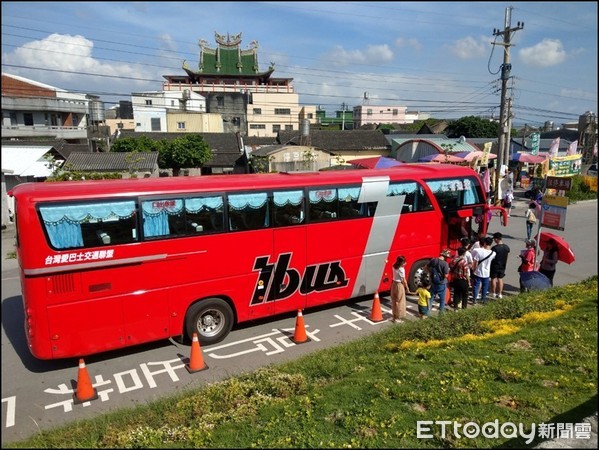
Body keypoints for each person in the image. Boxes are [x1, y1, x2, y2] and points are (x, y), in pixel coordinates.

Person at [471, 237, 496, 304]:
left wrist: (473, 269)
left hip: (478, 271)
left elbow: (475, 262)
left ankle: (474, 299)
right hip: (486, 272)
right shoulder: (493, 253)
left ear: (484, 243)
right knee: (485, 287)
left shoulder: (479, 251)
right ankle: (483, 299)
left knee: (476, 286)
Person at [426, 249, 451, 314]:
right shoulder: (445, 264)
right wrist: (448, 271)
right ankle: (441, 313)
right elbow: (446, 275)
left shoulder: (433, 260)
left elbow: (426, 267)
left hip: (433, 282)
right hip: (441, 283)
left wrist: (431, 273)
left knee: (431, 298)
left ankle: (427, 312)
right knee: (442, 299)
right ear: (445, 256)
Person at [490, 232, 510, 299]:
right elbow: (507, 257)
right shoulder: (506, 247)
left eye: (494, 239)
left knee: (493, 278)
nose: (494, 241)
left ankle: (493, 293)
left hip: (495, 265)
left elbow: (492, 257)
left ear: (496, 239)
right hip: (503, 265)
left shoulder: (494, 248)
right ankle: (500, 293)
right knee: (500, 279)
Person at [390, 256, 410, 323]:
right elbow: (403, 280)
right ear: (402, 262)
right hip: (399, 285)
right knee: (400, 302)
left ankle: (394, 316)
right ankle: (398, 318)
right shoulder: (401, 269)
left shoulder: (394, 266)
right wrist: (407, 288)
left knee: (394, 301)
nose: (405, 263)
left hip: (393, 284)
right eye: (404, 262)